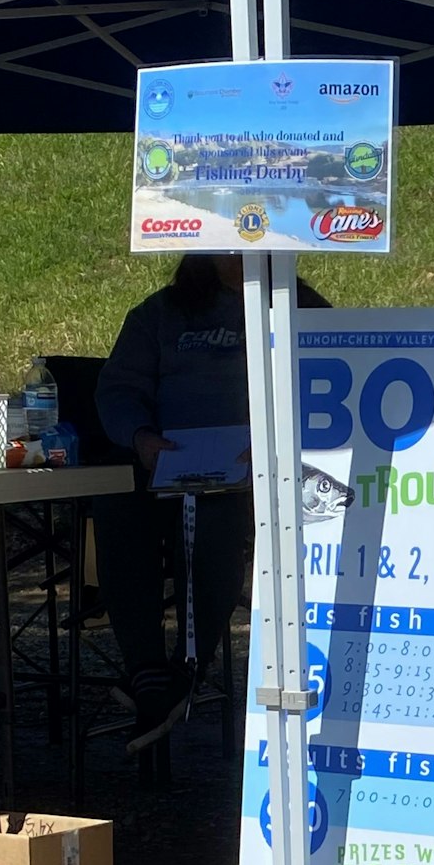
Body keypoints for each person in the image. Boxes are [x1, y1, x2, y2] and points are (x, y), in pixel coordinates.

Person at [93, 257, 329, 752]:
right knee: (116, 505)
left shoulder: (300, 309)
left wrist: (278, 443)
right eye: (225, 247)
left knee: (217, 513)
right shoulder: (159, 314)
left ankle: (189, 667)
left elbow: (332, 384)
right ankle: (146, 671)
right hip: (165, 462)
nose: (237, 254)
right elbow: (118, 390)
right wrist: (141, 438)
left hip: (250, 471)